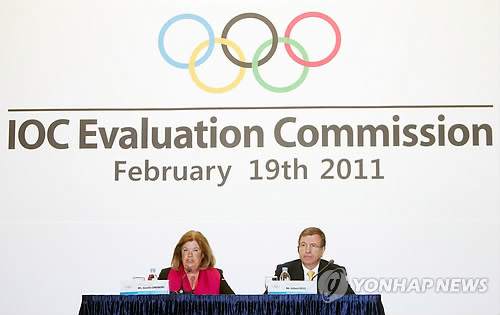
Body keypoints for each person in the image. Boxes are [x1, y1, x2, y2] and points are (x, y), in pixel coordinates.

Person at [273, 227, 355, 294]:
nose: (307, 250)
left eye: (313, 246)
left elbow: (352, 303)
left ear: (322, 250)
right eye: (303, 245)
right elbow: (266, 303)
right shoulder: (285, 271)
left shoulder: (335, 272)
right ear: (298, 248)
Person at [158, 230, 234, 294]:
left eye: (195, 250)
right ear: (180, 254)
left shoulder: (216, 276)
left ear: (203, 254)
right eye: (185, 250)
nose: (190, 255)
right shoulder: (165, 275)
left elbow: (235, 304)